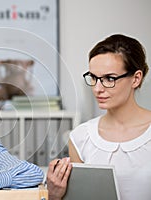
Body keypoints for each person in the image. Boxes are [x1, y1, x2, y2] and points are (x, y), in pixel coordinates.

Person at [47, 34, 151, 200]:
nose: (97, 88)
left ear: (136, 79)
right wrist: (54, 196)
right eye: (94, 78)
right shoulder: (80, 138)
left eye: (109, 79)